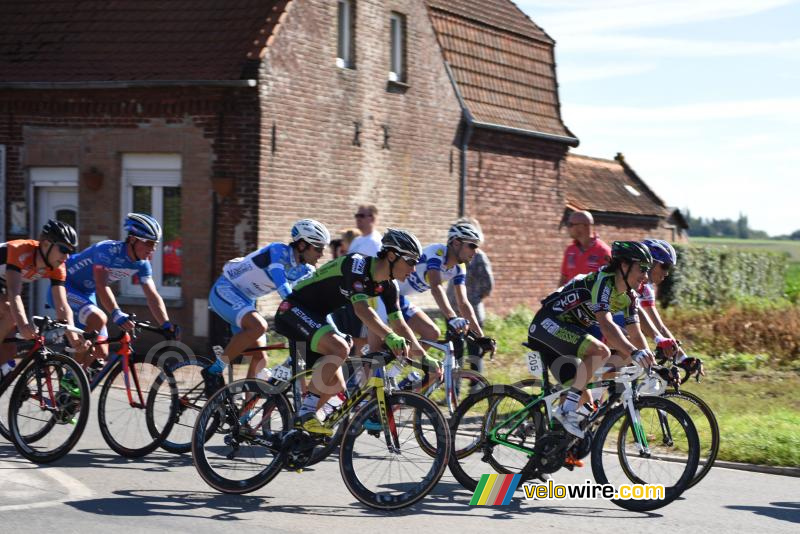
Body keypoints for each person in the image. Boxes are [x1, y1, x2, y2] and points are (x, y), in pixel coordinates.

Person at [273, 228, 436, 435]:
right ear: (392, 255)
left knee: (336, 387)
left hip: (318, 317)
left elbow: (401, 325)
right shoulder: (357, 264)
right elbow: (362, 310)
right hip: (293, 309)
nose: (413, 270)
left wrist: (425, 359)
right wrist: (389, 336)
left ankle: (296, 434)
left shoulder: (389, 286)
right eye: (411, 262)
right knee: (340, 347)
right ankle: (306, 413)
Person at [527, 241, 657, 438]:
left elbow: (636, 333)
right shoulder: (604, 282)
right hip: (547, 325)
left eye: (648, 270)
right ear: (624, 265)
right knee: (601, 351)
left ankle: (544, 440)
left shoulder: (629, 296)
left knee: (587, 406)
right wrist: (634, 351)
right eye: (643, 268)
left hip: (568, 336)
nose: (646, 276)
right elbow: (606, 325)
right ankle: (564, 410)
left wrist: (650, 363)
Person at [202, 219, 330, 396]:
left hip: (246, 300)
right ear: (301, 245)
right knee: (259, 326)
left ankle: (244, 415)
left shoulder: (304, 270)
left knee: (260, 358)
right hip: (226, 290)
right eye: (318, 248)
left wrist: (331, 327)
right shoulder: (277, 251)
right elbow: (283, 287)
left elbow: (318, 301)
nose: (322, 254)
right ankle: (213, 371)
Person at [62, 213, 179, 364]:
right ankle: (71, 377)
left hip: (86, 294)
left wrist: (166, 324)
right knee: (98, 318)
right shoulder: (107, 251)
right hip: (65, 286)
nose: (153, 249)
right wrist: (116, 314)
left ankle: (79, 385)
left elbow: (152, 295)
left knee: (100, 354)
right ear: (132, 239)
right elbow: (101, 285)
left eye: (155, 244)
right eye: (149, 243)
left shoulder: (142, 264)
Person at [0, 220, 85, 378]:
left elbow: (62, 306)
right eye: (63, 249)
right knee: (10, 313)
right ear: (46, 244)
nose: (67, 256)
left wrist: (72, 336)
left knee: (9, 349)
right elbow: (14, 293)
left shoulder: (57, 266)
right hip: (6, 288)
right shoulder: (19, 250)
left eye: (71, 251)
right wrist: (24, 325)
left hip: (3, 284)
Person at [638, 238, 703, 377]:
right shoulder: (629, 285)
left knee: (624, 381)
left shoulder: (646, 289)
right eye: (665, 266)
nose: (666, 273)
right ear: (650, 263)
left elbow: (659, 327)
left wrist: (683, 358)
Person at [560, 210, 612, 285]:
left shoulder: (604, 251)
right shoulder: (570, 251)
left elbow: (610, 282)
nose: (567, 228)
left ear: (582, 226)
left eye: (570, 224)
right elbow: (563, 279)